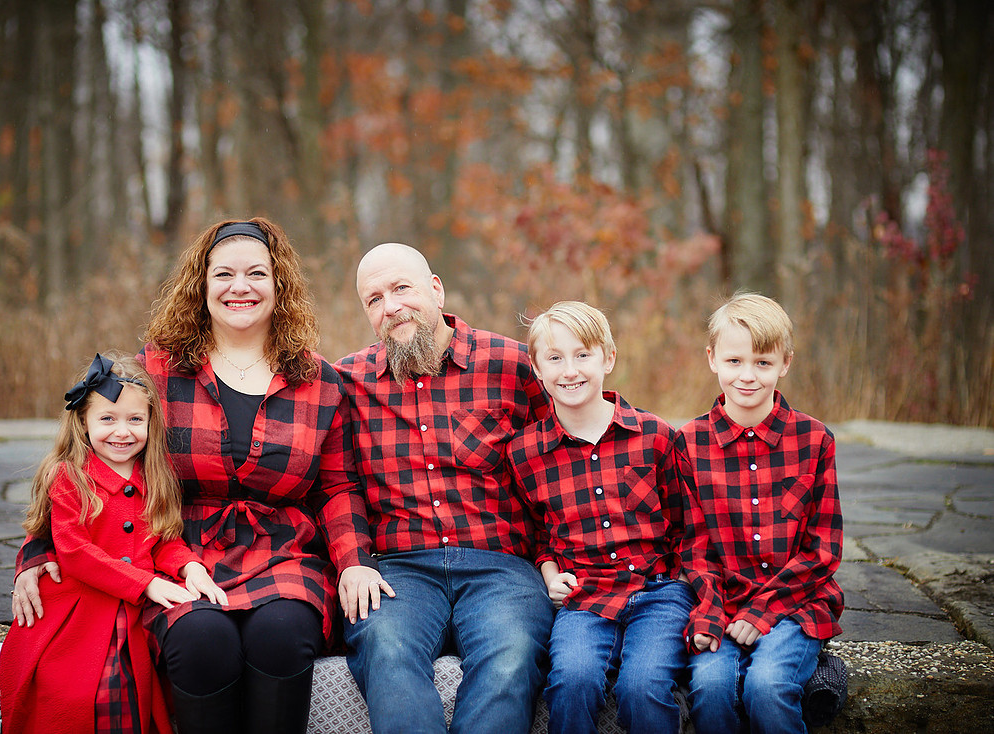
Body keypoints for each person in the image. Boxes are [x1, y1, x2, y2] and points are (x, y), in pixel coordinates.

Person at [11, 218, 383, 734]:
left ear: (279, 285)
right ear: (201, 285)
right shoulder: (157, 369)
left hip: (283, 552)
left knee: (281, 637)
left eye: (256, 274)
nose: (239, 287)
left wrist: (354, 562)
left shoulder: (317, 380)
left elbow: (337, 487)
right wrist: (37, 551)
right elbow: (84, 457)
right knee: (202, 641)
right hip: (177, 550)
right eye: (223, 274)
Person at [334, 242, 555, 734]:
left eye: (401, 288)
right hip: (399, 569)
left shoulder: (513, 365)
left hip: (501, 566)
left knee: (512, 653)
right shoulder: (347, 381)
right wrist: (353, 560)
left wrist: (550, 558)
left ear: (436, 289)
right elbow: (338, 482)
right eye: (374, 299)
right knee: (386, 648)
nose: (391, 307)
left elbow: (560, 465)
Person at [0, 353, 226, 733]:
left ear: (151, 422)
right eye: (107, 419)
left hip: (132, 609)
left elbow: (162, 541)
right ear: (83, 422)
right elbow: (73, 552)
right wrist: (147, 583)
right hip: (79, 606)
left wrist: (190, 567)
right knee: (78, 692)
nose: (122, 432)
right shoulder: (69, 476)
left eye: (135, 420)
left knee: (137, 689)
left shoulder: (155, 476)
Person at [505, 301, 698, 734]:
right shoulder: (524, 453)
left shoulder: (655, 436)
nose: (570, 370)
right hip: (584, 597)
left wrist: (684, 582)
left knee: (643, 687)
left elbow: (685, 523)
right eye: (555, 358)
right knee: (571, 682)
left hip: (658, 591)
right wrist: (550, 573)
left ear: (608, 358)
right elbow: (537, 535)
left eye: (582, 355)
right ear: (537, 369)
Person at [677, 292, 844, 734]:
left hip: (797, 604)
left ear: (785, 363)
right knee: (710, 687)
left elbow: (823, 550)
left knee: (767, 687)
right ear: (712, 359)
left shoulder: (814, 440)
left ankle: (809, 659)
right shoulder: (689, 443)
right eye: (734, 361)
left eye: (763, 363)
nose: (747, 376)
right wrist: (711, 611)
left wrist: (762, 611)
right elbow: (694, 547)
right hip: (723, 603)